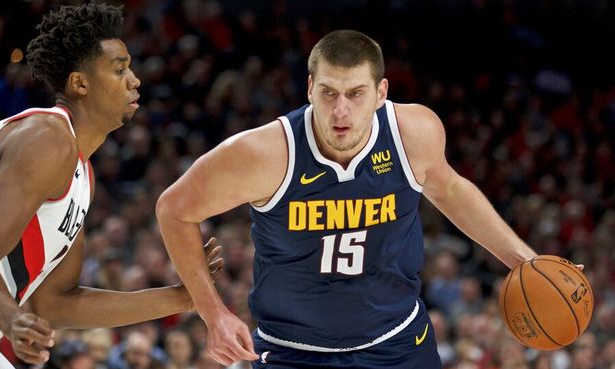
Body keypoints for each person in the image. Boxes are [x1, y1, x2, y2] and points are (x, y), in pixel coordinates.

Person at [155, 30, 540, 368]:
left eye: (356, 93)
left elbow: (450, 189)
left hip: (399, 342)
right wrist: (213, 314)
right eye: (328, 93)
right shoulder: (265, 153)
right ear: (310, 89)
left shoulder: (413, 133)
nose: (341, 110)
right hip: (294, 351)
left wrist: (525, 262)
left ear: (381, 92)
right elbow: (173, 209)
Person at [0, 3, 223, 368]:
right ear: (80, 83)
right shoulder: (46, 137)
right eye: (120, 69)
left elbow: (55, 302)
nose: (134, 79)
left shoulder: (81, 175)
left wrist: (181, 298)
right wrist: (13, 322)